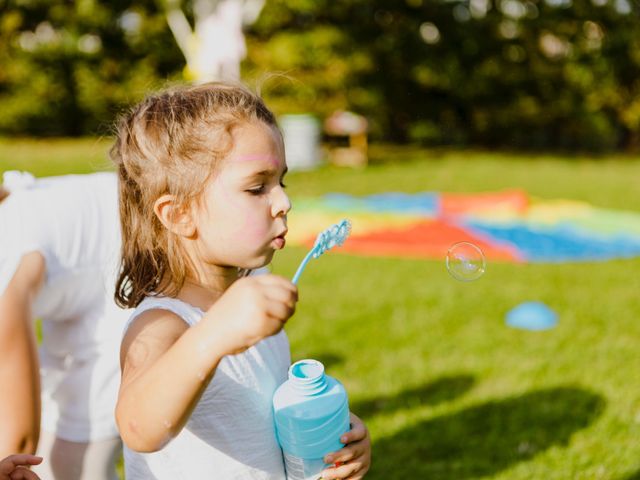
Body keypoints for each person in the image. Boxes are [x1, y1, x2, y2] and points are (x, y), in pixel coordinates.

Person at [113, 82, 371, 479]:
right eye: (256, 187)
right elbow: (137, 428)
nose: (284, 201)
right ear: (180, 215)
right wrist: (214, 333)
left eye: (281, 182)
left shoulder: (244, 307)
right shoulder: (164, 322)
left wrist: (327, 438)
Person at [0, 171, 128, 480]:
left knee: (77, 458)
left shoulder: (5, 277)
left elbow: (17, 442)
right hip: (75, 272)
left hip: (132, 248)